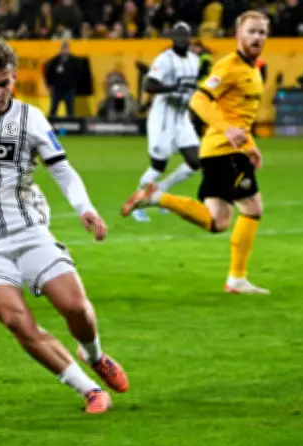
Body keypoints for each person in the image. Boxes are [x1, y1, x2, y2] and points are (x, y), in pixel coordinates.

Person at [0, 38, 128, 414]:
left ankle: (94, 354)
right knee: (18, 320)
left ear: (14, 79)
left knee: (76, 307)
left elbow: (62, 170)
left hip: (29, 231)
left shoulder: (30, 118)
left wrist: (85, 208)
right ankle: (89, 390)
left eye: (4, 84)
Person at [120, 11, 270, 295]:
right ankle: (237, 279)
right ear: (238, 34)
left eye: (262, 32)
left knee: (217, 221)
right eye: (251, 31)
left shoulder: (253, 70)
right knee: (253, 209)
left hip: (222, 151)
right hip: (225, 151)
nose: (257, 37)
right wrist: (227, 130)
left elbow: (241, 117)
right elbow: (199, 100)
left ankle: (155, 197)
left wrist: (250, 146)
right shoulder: (229, 66)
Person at [130, 22, 201, 223]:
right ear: (172, 38)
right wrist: (172, 87)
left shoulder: (195, 60)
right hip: (163, 119)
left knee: (196, 162)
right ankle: (137, 202)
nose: (181, 39)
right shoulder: (165, 59)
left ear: (190, 37)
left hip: (182, 118)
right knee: (158, 166)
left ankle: (161, 189)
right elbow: (149, 84)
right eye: (177, 35)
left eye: (184, 35)